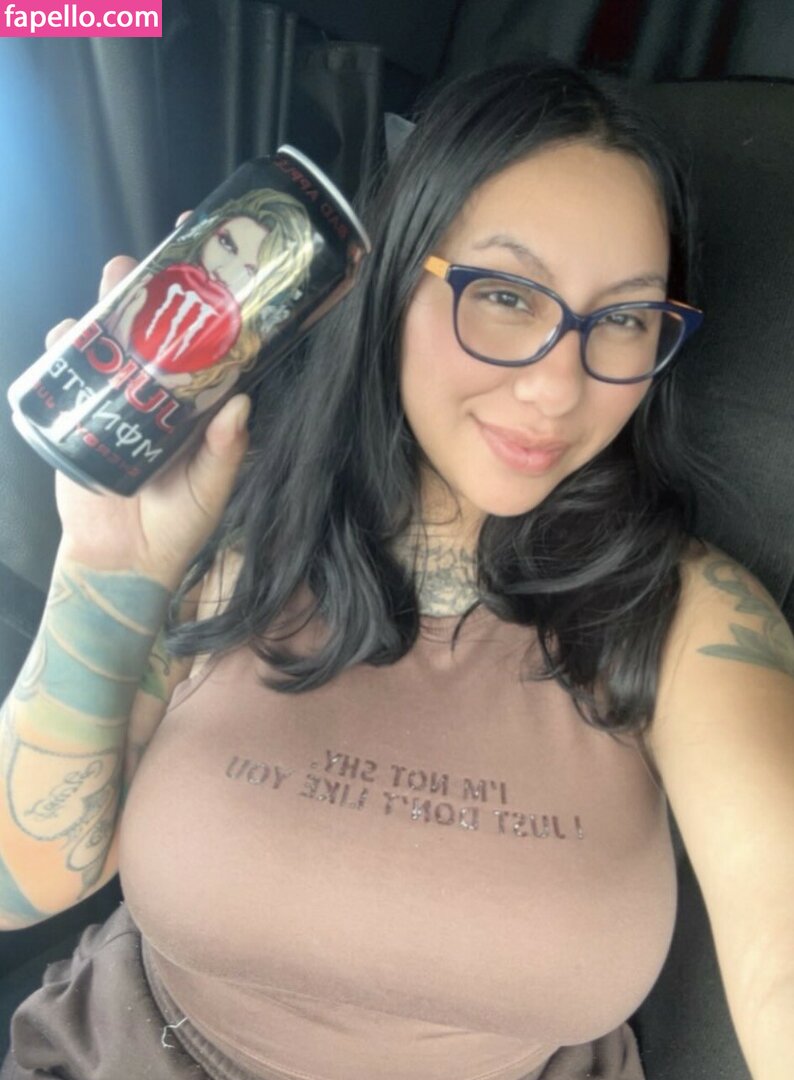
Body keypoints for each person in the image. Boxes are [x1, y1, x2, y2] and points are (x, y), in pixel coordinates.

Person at [1, 60, 792, 1080]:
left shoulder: (689, 617)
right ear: (393, 281)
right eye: (504, 295)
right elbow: (19, 882)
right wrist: (109, 564)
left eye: (625, 319)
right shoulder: (225, 530)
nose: (558, 387)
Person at [104, 189, 314, 412]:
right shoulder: (147, 286)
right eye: (226, 244)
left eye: (252, 272)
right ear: (210, 232)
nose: (222, 272)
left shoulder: (231, 367)